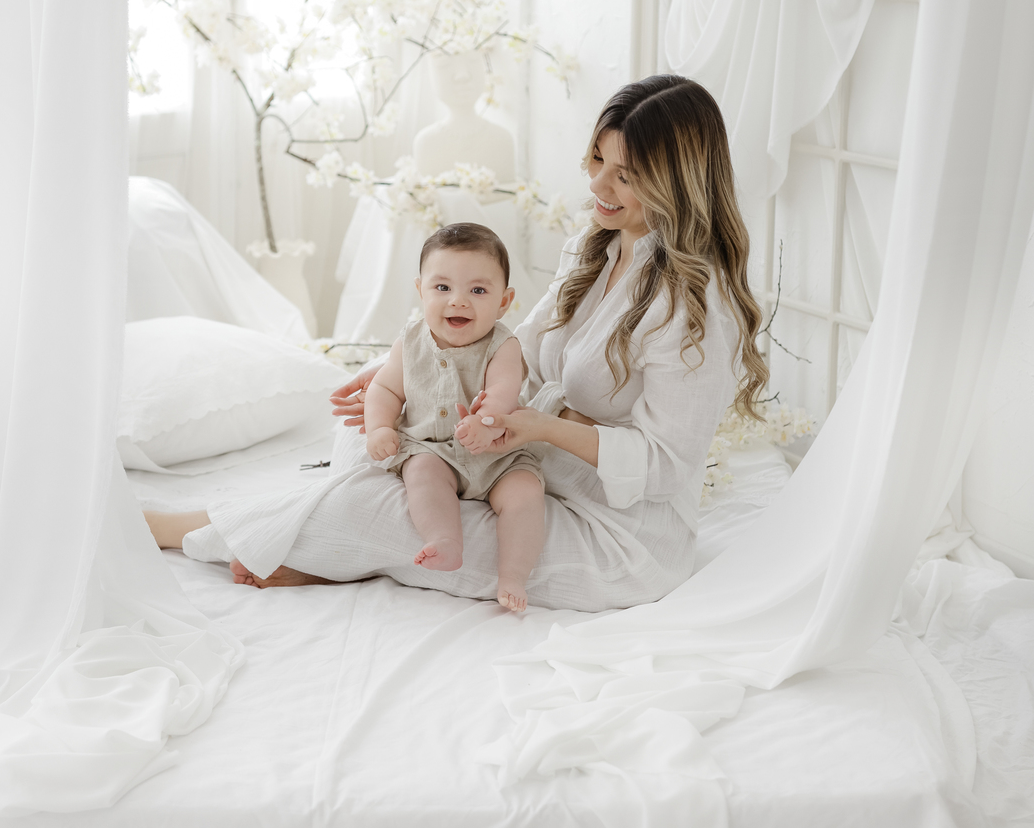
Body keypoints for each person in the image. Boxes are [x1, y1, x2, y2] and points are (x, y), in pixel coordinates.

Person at [145, 76, 767, 612]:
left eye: (624, 175)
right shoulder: (596, 246)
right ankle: (325, 548)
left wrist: (545, 428)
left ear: (675, 182)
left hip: (617, 534)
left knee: (379, 506)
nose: (598, 184)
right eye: (597, 159)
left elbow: (664, 465)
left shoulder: (696, 307)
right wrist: (405, 371)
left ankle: (191, 531)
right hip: (529, 461)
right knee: (372, 439)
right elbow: (520, 347)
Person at [364, 222, 543, 613]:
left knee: (526, 493)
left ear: (504, 301)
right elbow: (385, 389)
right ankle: (445, 540)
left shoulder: (503, 345)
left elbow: (502, 393)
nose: (458, 302)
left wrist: (486, 421)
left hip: (496, 454)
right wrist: (378, 427)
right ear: (421, 290)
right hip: (433, 450)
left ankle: (513, 574)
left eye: (478, 291)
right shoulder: (409, 342)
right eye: (442, 287)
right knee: (421, 475)